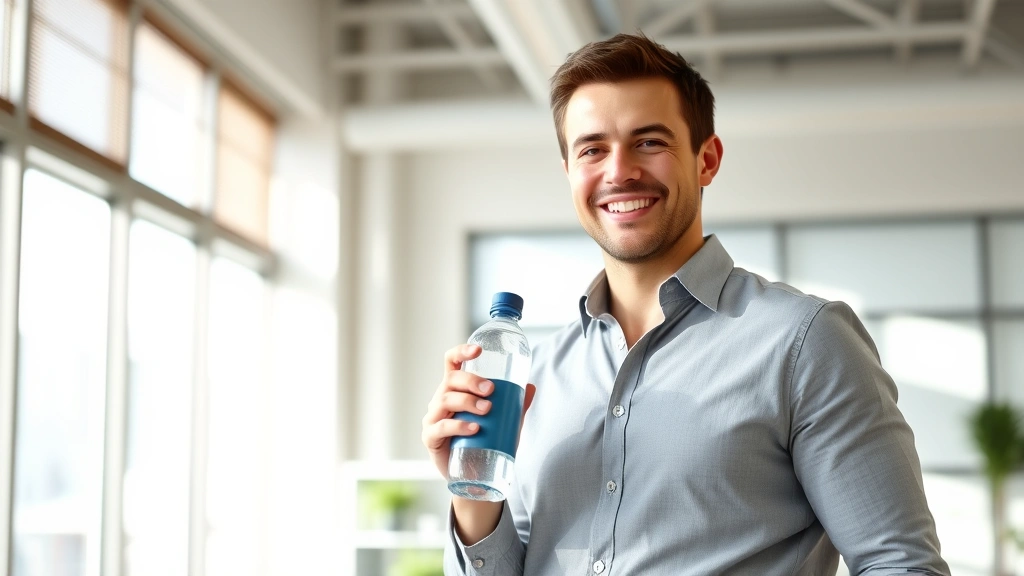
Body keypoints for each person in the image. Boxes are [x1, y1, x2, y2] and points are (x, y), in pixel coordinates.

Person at [421, 33, 949, 575]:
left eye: (649, 142)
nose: (618, 170)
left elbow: (900, 563)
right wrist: (474, 494)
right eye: (593, 148)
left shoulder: (805, 342)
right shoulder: (541, 375)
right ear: (570, 174)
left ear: (707, 159)